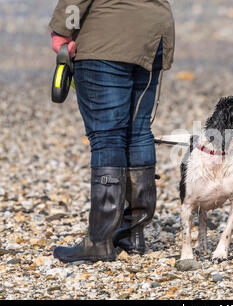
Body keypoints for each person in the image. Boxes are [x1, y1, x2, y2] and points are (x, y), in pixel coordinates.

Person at [48, 0, 175, 263]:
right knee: (138, 130)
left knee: (107, 137)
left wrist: (64, 29)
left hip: (107, 37)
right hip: (155, 33)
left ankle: (99, 240)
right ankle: (132, 233)